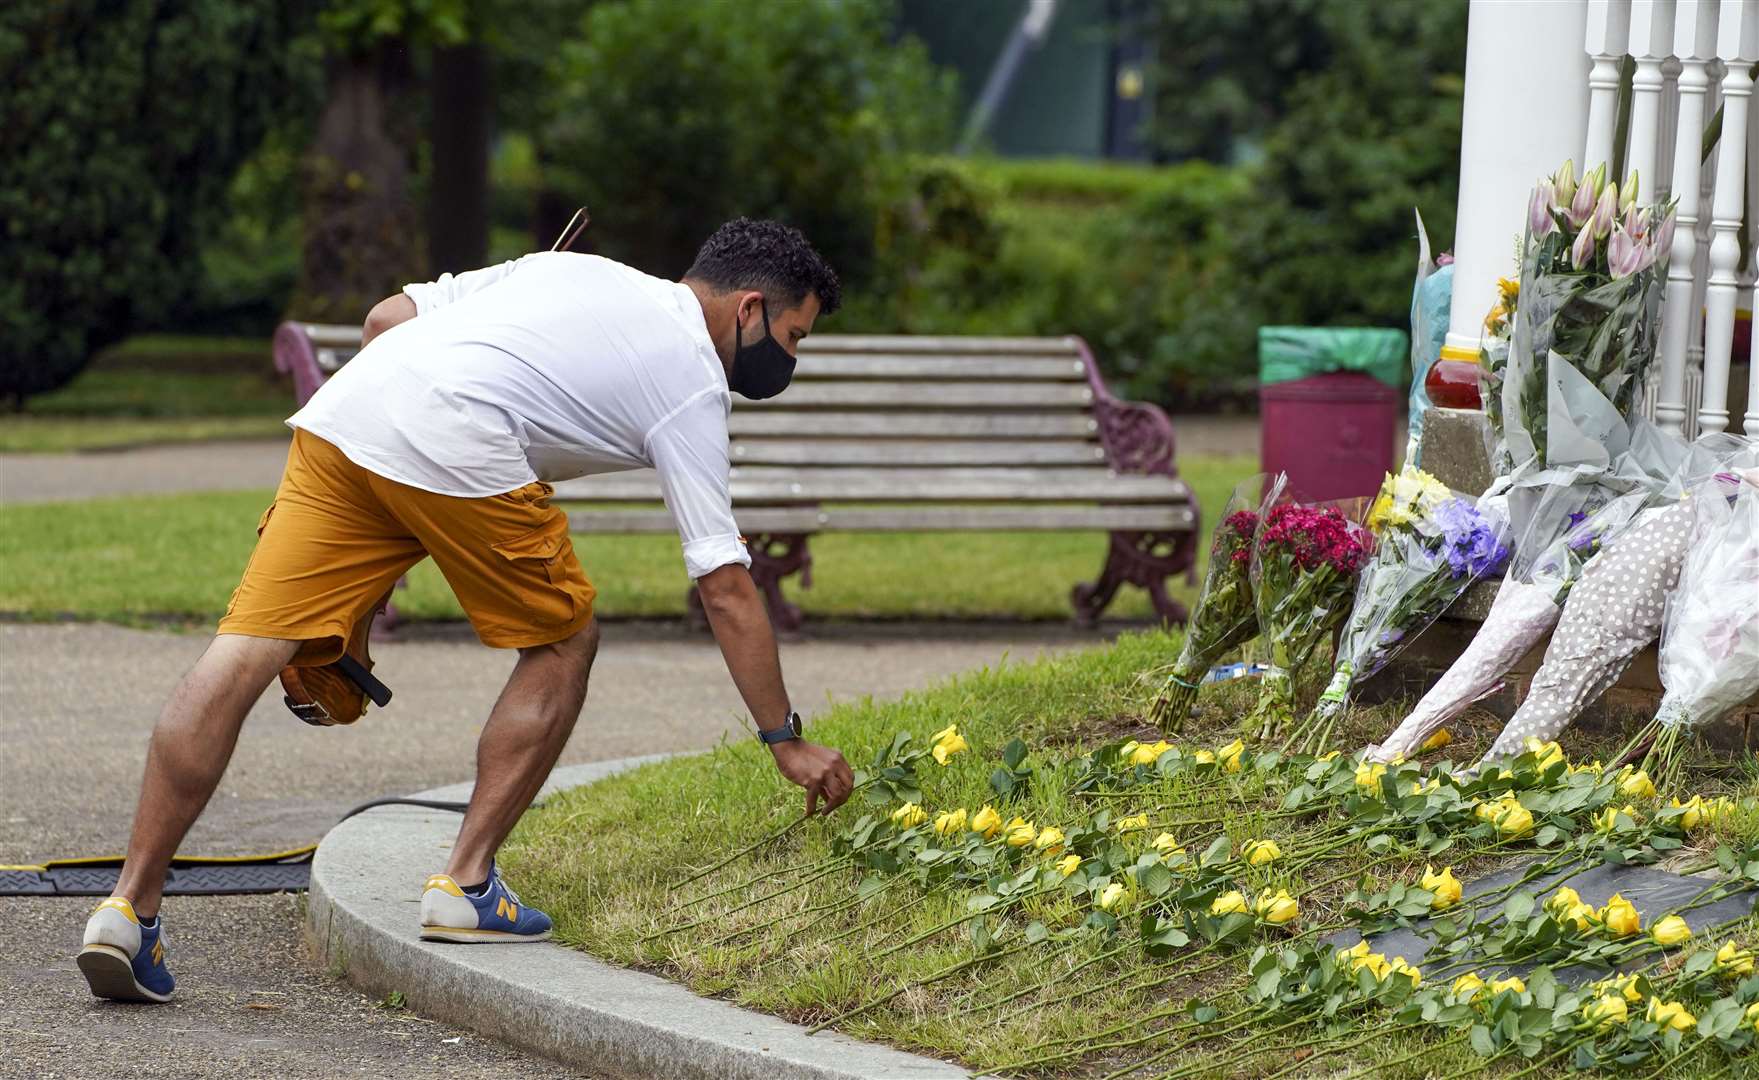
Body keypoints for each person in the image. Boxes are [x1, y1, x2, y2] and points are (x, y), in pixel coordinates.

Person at [77, 218, 857, 1003]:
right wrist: (782, 739)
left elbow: (386, 319)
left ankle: (127, 908)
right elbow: (723, 582)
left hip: (345, 416)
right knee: (563, 644)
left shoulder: (573, 271)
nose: (787, 358)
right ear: (749, 308)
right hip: (460, 438)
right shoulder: (690, 376)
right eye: (793, 336)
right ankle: (467, 884)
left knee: (244, 649)